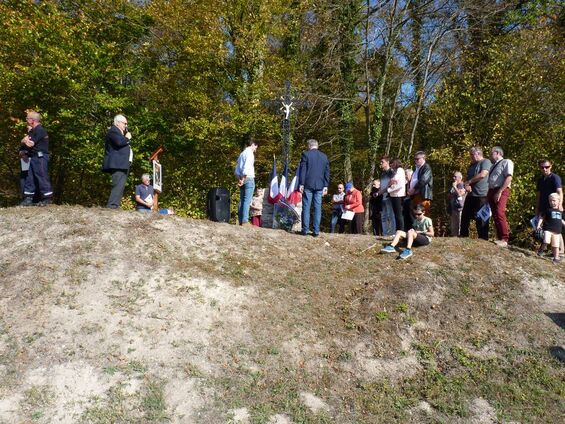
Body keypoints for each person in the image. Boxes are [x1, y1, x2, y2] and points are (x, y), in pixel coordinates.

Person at [19, 111, 54, 206]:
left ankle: (47, 198)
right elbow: (26, 143)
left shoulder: (40, 130)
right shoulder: (33, 131)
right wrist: (24, 141)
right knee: (29, 178)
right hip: (32, 157)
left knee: (41, 176)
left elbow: (30, 143)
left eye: (27, 118)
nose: (26, 120)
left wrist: (24, 140)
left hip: (40, 157)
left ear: (32, 120)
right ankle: (28, 199)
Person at [298, 139, 330, 237]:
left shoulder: (306, 155)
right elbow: (327, 172)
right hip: (320, 185)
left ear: (309, 145)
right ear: (317, 145)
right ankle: (316, 231)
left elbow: (303, 170)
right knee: (317, 208)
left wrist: (301, 184)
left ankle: (305, 230)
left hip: (308, 184)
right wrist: (326, 185)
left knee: (306, 207)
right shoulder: (324, 157)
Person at [460, 147, 491, 240]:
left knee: (481, 218)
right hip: (471, 195)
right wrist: (466, 185)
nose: (471, 157)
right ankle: (463, 236)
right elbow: (466, 179)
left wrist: (469, 182)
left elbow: (483, 174)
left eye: (472, 155)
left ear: (478, 154)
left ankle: (483, 238)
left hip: (482, 195)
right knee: (465, 216)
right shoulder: (471, 166)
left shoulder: (485, 162)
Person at [103, 114, 132, 209]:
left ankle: (115, 205)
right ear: (118, 122)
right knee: (117, 185)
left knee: (120, 185)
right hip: (117, 164)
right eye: (125, 123)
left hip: (122, 164)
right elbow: (119, 142)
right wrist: (127, 138)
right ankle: (112, 206)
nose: (126, 126)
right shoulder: (113, 131)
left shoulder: (118, 133)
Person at [536, 159, 563, 256]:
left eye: (546, 167)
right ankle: (547, 250)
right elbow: (538, 195)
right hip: (544, 208)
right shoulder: (540, 180)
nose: (544, 169)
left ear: (550, 166)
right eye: (542, 167)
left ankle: (560, 251)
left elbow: (559, 191)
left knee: (556, 228)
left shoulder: (555, 178)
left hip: (554, 207)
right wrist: (537, 208)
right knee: (546, 229)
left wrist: (559, 205)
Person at [487, 146, 513, 247]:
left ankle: (504, 238)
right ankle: (499, 237)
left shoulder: (507, 162)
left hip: (501, 189)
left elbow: (509, 177)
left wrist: (500, 191)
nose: (490, 155)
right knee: (495, 214)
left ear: (497, 153)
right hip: (492, 190)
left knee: (499, 212)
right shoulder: (493, 166)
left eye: (491, 153)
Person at [234, 139, 258, 226]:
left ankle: (240, 221)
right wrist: (243, 179)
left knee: (242, 200)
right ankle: (245, 221)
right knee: (247, 201)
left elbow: (237, 170)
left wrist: (240, 179)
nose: (256, 149)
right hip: (248, 178)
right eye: (256, 147)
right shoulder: (249, 153)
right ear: (253, 145)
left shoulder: (242, 154)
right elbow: (246, 168)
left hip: (241, 178)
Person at [536, 193, 565, 265]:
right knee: (546, 240)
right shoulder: (548, 210)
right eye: (551, 201)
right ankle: (541, 250)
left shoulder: (560, 212)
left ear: (558, 201)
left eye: (554, 200)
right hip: (548, 229)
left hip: (557, 232)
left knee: (556, 246)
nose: (552, 202)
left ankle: (556, 258)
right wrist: (538, 225)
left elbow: (562, 220)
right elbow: (541, 217)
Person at [408, 151, 433, 216]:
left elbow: (424, 180)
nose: (416, 160)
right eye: (415, 159)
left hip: (423, 195)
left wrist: (414, 188)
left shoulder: (426, 167)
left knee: (423, 215)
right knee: (416, 216)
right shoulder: (416, 168)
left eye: (417, 159)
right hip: (415, 195)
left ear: (423, 158)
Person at [379, 156, 396, 236]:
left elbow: (393, 184)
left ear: (387, 162)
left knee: (391, 215)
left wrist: (384, 191)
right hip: (383, 197)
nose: (381, 163)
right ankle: (385, 233)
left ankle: (392, 233)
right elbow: (382, 185)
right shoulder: (382, 173)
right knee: (383, 216)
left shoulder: (391, 172)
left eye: (382, 162)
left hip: (390, 196)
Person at [388, 159, 406, 232]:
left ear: (395, 163)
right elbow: (391, 181)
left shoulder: (400, 170)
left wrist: (389, 189)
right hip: (394, 194)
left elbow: (397, 182)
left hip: (397, 194)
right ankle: (398, 230)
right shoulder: (396, 171)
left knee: (398, 214)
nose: (390, 165)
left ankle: (400, 231)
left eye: (391, 164)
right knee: (396, 214)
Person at [448, 171, 466, 237]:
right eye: (453, 176)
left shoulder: (463, 185)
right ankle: (454, 239)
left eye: (455, 176)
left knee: (459, 225)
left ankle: (459, 239)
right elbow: (449, 196)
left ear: (460, 177)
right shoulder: (453, 186)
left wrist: (455, 187)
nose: (453, 178)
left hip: (460, 208)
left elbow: (460, 194)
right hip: (453, 208)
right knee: (453, 226)